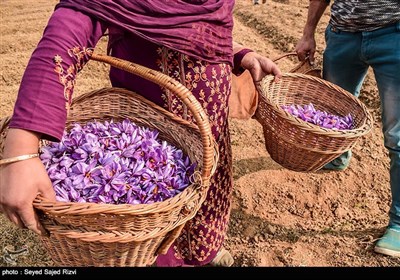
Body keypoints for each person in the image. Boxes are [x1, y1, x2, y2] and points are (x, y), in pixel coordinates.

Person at [0, 0, 281, 267]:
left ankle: (202, 251)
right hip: (151, 139)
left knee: (204, 196)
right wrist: (21, 149)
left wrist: (240, 54)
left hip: (209, 128)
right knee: (158, 222)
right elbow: (70, 26)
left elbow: (202, 28)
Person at [295, 0, 400, 257]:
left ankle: (398, 223)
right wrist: (308, 32)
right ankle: (337, 158)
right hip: (342, 35)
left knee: (397, 136)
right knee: (335, 115)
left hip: (393, 34)